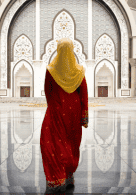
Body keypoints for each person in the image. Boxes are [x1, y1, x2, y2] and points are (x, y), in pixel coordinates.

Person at [40, 38, 88, 193]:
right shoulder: (79, 71)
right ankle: (68, 176)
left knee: (51, 143)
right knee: (71, 144)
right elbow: (84, 95)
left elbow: (48, 91)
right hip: (73, 112)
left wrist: (54, 105)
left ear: (58, 50)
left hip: (56, 111)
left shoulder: (51, 70)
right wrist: (84, 115)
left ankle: (56, 178)